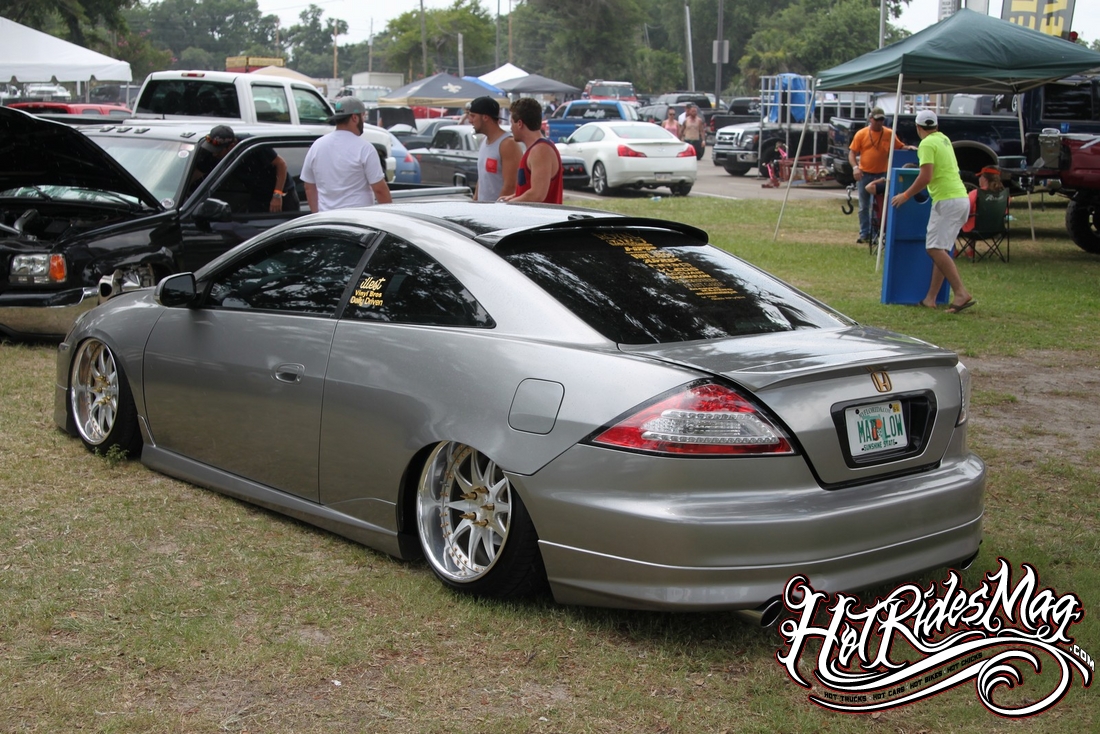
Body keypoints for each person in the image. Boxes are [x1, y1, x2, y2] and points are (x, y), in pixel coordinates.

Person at [891, 110, 976, 314]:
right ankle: (930, 298)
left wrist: (906, 195)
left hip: (946, 200)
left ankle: (961, 292)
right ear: (936, 126)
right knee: (941, 249)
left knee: (934, 249)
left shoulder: (927, 144)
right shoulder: (944, 139)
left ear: (918, 127)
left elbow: (925, 176)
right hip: (960, 197)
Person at [300, 97, 392, 212]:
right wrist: (390, 217)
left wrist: (317, 215)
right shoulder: (365, 148)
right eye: (363, 116)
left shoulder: (317, 146)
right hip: (357, 218)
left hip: (327, 218)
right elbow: (380, 190)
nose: (363, 121)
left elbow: (309, 187)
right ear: (355, 118)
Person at [188, 125, 300, 213]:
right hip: (257, 194)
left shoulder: (252, 145)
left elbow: (281, 164)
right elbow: (198, 173)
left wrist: (277, 195)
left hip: (282, 194)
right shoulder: (215, 154)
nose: (214, 154)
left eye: (218, 151)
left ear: (231, 146)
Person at [849, 107, 912, 244]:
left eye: (882, 120)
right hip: (865, 174)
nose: (879, 122)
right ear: (870, 119)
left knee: (880, 206)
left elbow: (900, 146)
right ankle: (864, 233)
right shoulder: (861, 134)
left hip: (882, 175)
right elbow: (852, 153)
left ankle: (877, 233)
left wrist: (909, 148)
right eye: (877, 119)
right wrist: (855, 168)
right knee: (864, 206)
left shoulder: (889, 133)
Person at [500, 97, 563, 204]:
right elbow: (531, 191)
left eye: (512, 123)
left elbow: (537, 195)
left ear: (519, 124)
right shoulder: (538, 148)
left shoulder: (540, 150)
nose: (511, 128)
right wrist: (513, 197)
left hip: (541, 215)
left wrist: (507, 205)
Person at [467, 96, 520, 202]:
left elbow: (510, 185)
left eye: (473, 116)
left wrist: (496, 208)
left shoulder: (507, 144)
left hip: (499, 210)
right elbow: (482, 179)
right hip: (484, 209)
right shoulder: (484, 141)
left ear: (485, 117)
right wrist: (475, 201)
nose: (470, 120)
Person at [962, 166, 1006, 233]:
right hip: (996, 229)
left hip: (974, 229)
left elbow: (965, 211)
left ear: (985, 179)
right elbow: (1005, 212)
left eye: (980, 176)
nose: (979, 179)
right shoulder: (1004, 194)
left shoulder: (975, 193)